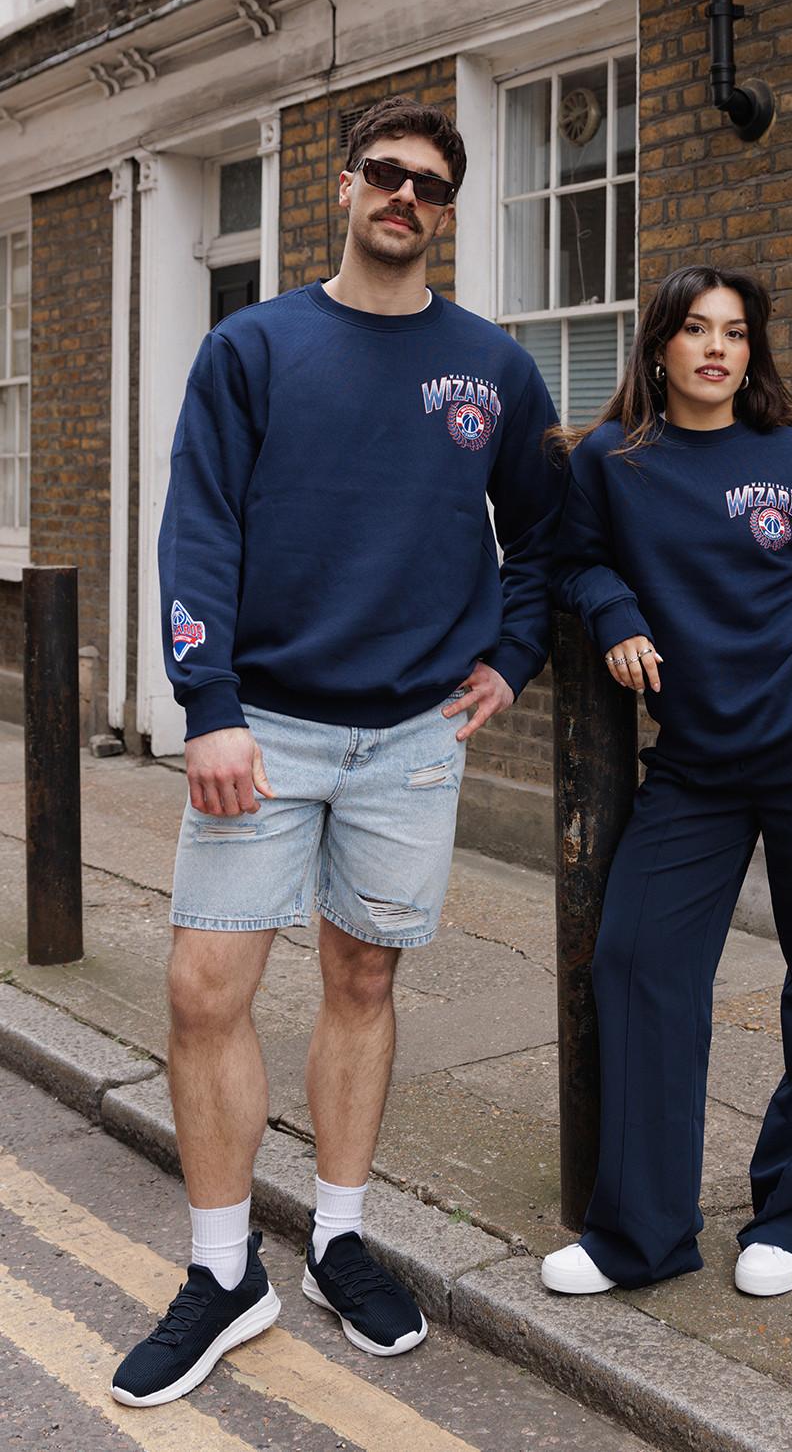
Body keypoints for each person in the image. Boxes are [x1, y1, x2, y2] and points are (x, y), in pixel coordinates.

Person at [112, 96, 564, 1407]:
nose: (405, 195)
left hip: (413, 733)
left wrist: (514, 654)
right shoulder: (254, 346)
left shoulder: (491, 367)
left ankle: (341, 1235)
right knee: (206, 987)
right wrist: (207, 704)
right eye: (386, 172)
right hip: (265, 727)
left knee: (364, 978)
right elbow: (197, 526)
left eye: (430, 182)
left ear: (447, 210)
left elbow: (543, 531)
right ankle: (219, 1269)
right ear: (345, 185)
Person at [541, 266, 792, 1301]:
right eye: (694, 330)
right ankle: (640, 1234)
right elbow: (573, 562)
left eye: (735, 333)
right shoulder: (612, 464)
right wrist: (615, 611)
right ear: (660, 348)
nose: (716, 349)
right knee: (634, 962)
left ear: (751, 352)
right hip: (696, 765)